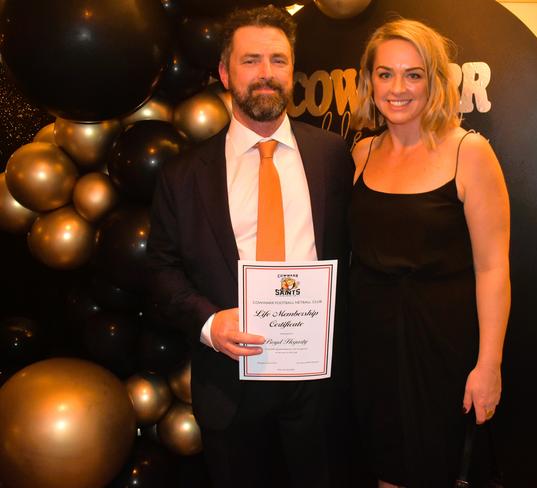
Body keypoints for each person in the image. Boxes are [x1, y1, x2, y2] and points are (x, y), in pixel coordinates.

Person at [147, 6, 354, 488]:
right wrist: (208, 323)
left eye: (278, 61)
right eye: (251, 60)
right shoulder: (183, 174)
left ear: (293, 70)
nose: (266, 74)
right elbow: (161, 270)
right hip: (228, 384)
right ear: (224, 72)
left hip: (318, 386)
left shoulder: (333, 156)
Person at [348, 19, 511, 487]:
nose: (398, 88)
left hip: (441, 346)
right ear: (369, 80)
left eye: (414, 74)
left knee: (429, 468)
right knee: (380, 466)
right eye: (385, 74)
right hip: (370, 343)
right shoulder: (360, 153)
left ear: (436, 81)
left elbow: (493, 267)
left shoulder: (469, 152)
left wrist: (489, 365)